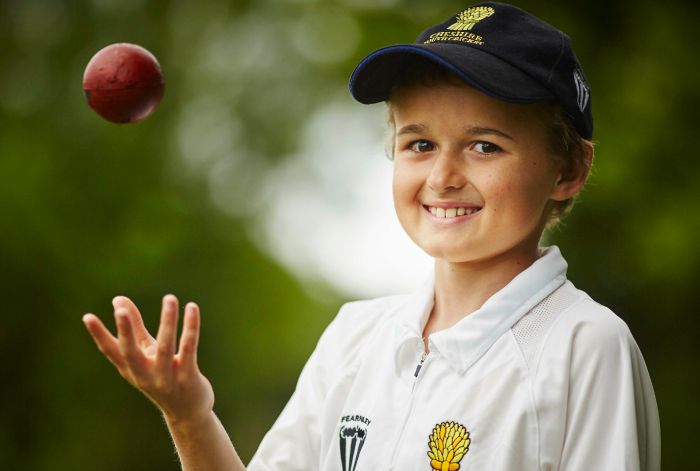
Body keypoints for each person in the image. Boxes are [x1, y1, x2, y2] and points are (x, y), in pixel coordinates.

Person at [82, 2, 661, 470]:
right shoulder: (355, 337)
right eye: (419, 144)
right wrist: (189, 414)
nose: (443, 177)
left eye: (485, 145)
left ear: (568, 170)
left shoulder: (584, 346)